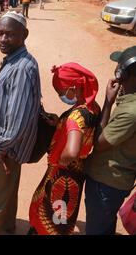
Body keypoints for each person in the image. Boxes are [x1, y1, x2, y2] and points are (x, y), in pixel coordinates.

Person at [0, 12, 41, 235]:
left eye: (10, 35)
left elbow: (18, 118)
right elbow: (14, 99)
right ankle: (8, 226)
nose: (3, 39)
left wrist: (0, 147)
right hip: (10, 143)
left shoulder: (21, 67)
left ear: (25, 35)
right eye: (0, 33)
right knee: (8, 190)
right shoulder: (16, 61)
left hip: (7, 146)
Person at [28, 63, 100, 235]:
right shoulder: (92, 107)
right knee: (64, 211)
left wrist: (60, 161)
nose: (61, 95)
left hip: (64, 172)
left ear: (74, 88)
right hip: (78, 170)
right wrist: (58, 122)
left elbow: (73, 150)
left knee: (53, 209)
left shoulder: (76, 118)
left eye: (61, 92)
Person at [85, 46, 136, 235]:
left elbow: (99, 144)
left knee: (97, 229)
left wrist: (107, 103)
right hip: (114, 183)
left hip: (106, 182)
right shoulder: (129, 101)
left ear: (123, 72)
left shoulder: (130, 112)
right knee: (105, 226)